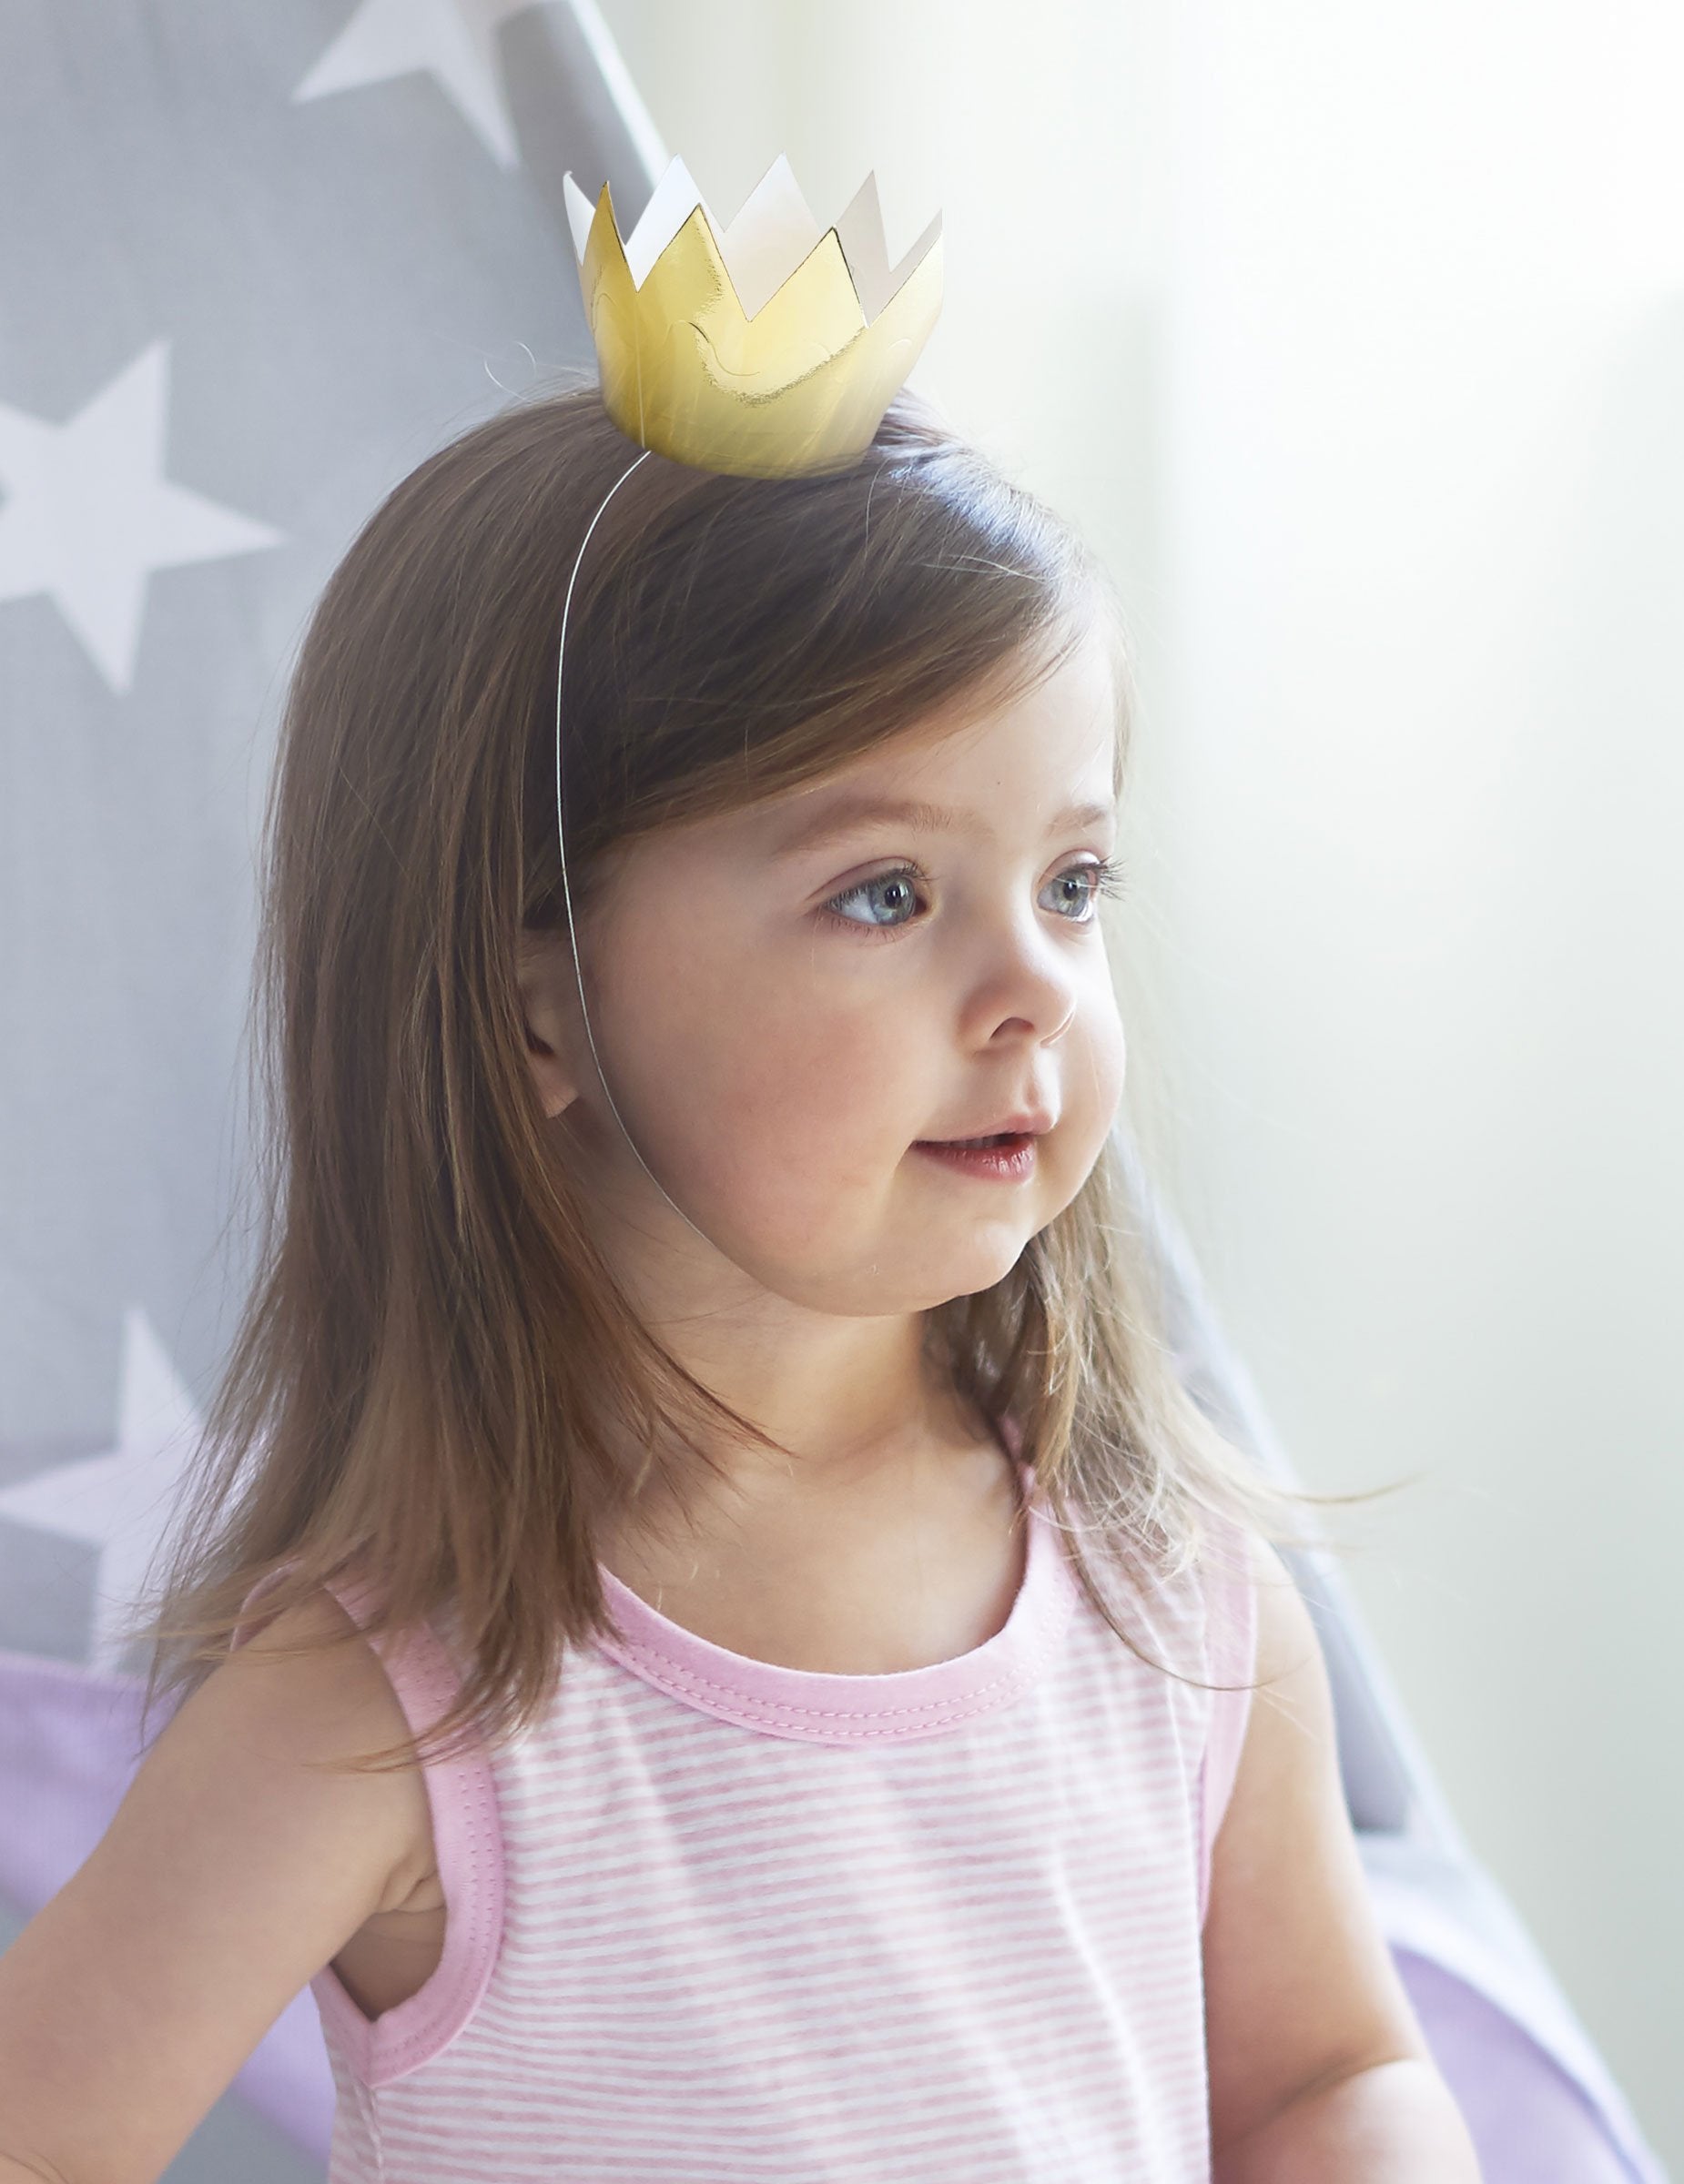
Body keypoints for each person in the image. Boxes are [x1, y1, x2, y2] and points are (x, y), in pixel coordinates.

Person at [0, 367, 1480, 2180]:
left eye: (1073, 882)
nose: (1032, 986)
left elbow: (1322, 2080)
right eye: (885, 893)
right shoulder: (384, 1717)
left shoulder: (1173, 1600)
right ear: (536, 997)